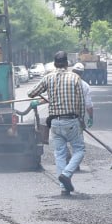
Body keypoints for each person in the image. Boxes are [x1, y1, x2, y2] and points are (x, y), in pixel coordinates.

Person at [28, 51, 86, 195]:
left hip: (55, 123)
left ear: (54, 64)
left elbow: (31, 93)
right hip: (71, 121)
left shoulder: (48, 78)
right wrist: (82, 120)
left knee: (59, 154)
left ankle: (63, 188)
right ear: (67, 64)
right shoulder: (75, 78)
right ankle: (66, 174)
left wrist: (47, 95)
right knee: (79, 150)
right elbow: (81, 103)